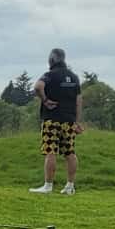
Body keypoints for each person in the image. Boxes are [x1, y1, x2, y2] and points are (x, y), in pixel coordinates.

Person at [30, 47, 83, 195]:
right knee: (70, 153)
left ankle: (48, 186)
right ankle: (70, 186)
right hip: (69, 120)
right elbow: (79, 100)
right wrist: (77, 121)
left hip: (52, 120)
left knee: (50, 152)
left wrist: (45, 100)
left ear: (52, 59)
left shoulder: (50, 75)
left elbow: (38, 87)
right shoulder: (74, 77)